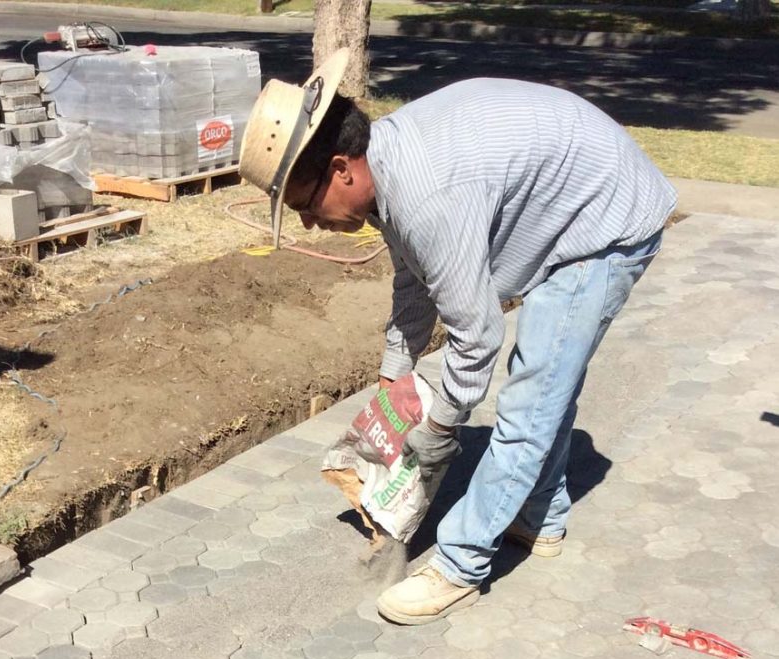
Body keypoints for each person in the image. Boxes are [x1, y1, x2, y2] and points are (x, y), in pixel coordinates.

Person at [239, 49, 676, 625]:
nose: (308, 224)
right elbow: (414, 279)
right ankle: (539, 515)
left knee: (531, 399)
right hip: (564, 200)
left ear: (342, 168)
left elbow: (476, 336)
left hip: (603, 222)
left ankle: (460, 565)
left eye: (304, 205)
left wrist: (440, 429)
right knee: (546, 387)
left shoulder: (428, 197)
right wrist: (394, 378)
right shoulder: (386, 167)